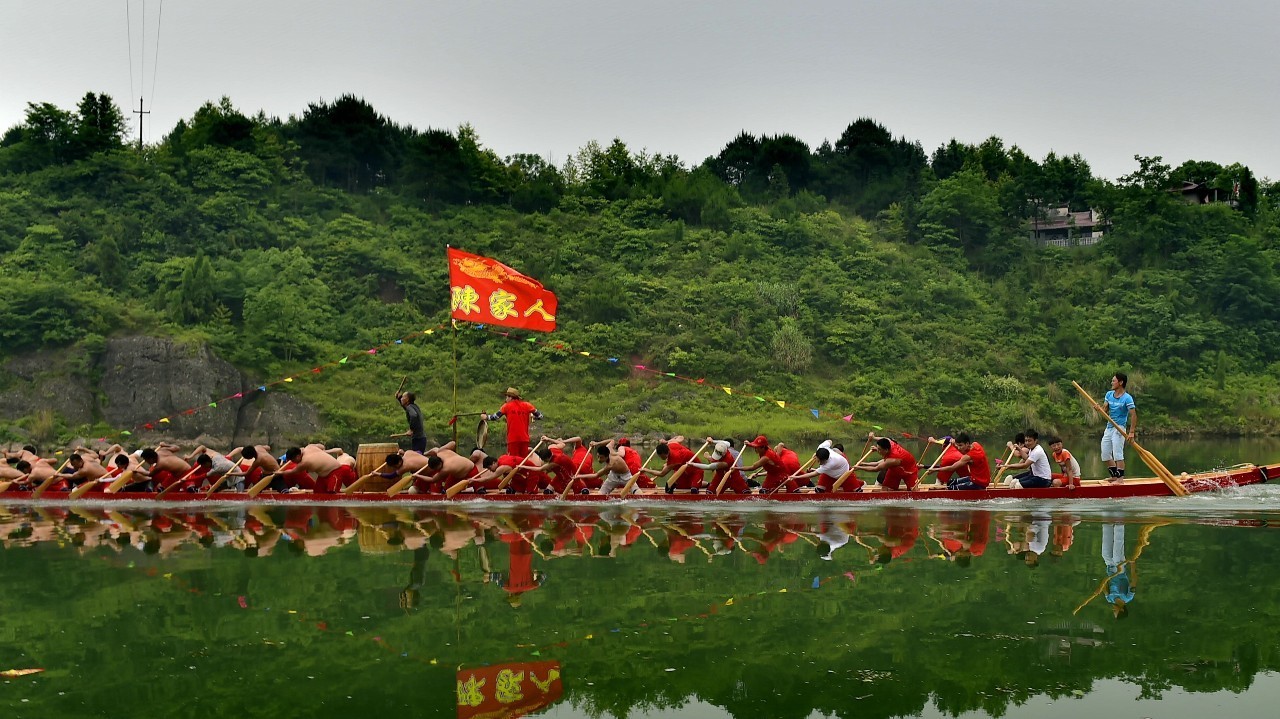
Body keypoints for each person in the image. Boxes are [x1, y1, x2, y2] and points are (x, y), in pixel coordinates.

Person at [1099, 373, 1137, 483]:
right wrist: (1099, 409)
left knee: (1117, 454)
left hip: (1119, 428)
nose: (1112, 383)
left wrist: (1131, 432)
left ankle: (1120, 479)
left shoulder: (1127, 398)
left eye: (1113, 381)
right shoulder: (1109, 394)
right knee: (1105, 454)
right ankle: (1114, 476)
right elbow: (1104, 410)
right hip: (1109, 427)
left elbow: (1133, 415)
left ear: (1120, 383)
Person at [486, 387, 543, 458]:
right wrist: (534, 417)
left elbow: (495, 417)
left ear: (510, 397)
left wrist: (485, 417)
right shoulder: (527, 405)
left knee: (513, 460)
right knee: (522, 461)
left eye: (507, 396)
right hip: (524, 439)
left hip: (513, 439)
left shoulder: (506, 406)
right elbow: (540, 416)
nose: (506, 399)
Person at [927, 433, 991, 490]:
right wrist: (935, 441)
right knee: (950, 482)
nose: (959, 448)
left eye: (960, 445)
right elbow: (949, 438)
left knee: (950, 488)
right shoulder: (975, 444)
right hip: (973, 478)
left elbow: (952, 468)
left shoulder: (968, 457)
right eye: (957, 445)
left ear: (967, 444)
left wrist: (934, 470)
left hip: (979, 483)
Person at [854, 435, 919, 491]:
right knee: (886, 489)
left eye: (879, 449)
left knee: (913, 490)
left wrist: (859, 467)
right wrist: (874, 437)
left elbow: (876, 468)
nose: (878, 451)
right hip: (895, 469)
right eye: (877, 448)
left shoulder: (892, 460)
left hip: (909, 471)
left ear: (886, 450)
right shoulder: (890, 443)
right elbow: (885, 439)